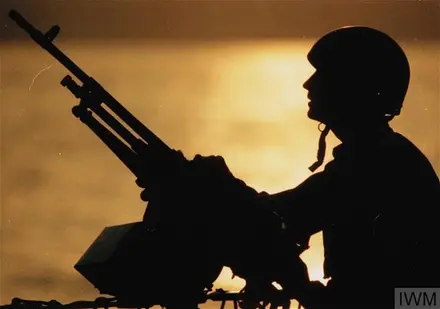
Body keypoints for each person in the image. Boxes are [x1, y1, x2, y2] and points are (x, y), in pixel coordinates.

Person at [139, 26, 440, 309]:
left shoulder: (375, 163)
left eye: (323, 75)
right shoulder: (379, 154)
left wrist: (210, 185)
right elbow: (281, 216)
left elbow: (280, 216)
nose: (308, 84)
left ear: (351, 87)